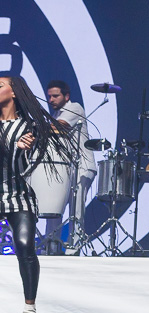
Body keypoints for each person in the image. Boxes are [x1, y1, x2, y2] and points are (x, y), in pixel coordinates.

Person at [0, 75, 75, 313]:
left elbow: (22, 167)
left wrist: (19, 149)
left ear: (14, 93)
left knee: (24, 247)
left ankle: (29, 311)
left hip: (18, 195)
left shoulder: (27, 126)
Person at [44, 80, 97, 255]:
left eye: (55, 96)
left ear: (66, 96)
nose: (51, 99)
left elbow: (59, 127)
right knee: (54, 207)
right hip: (65, 168)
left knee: (76, 209)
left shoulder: (74, 108)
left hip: (81, 166)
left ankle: (74, 250)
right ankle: (50, 247)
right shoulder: (57, 112)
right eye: (49, 96)